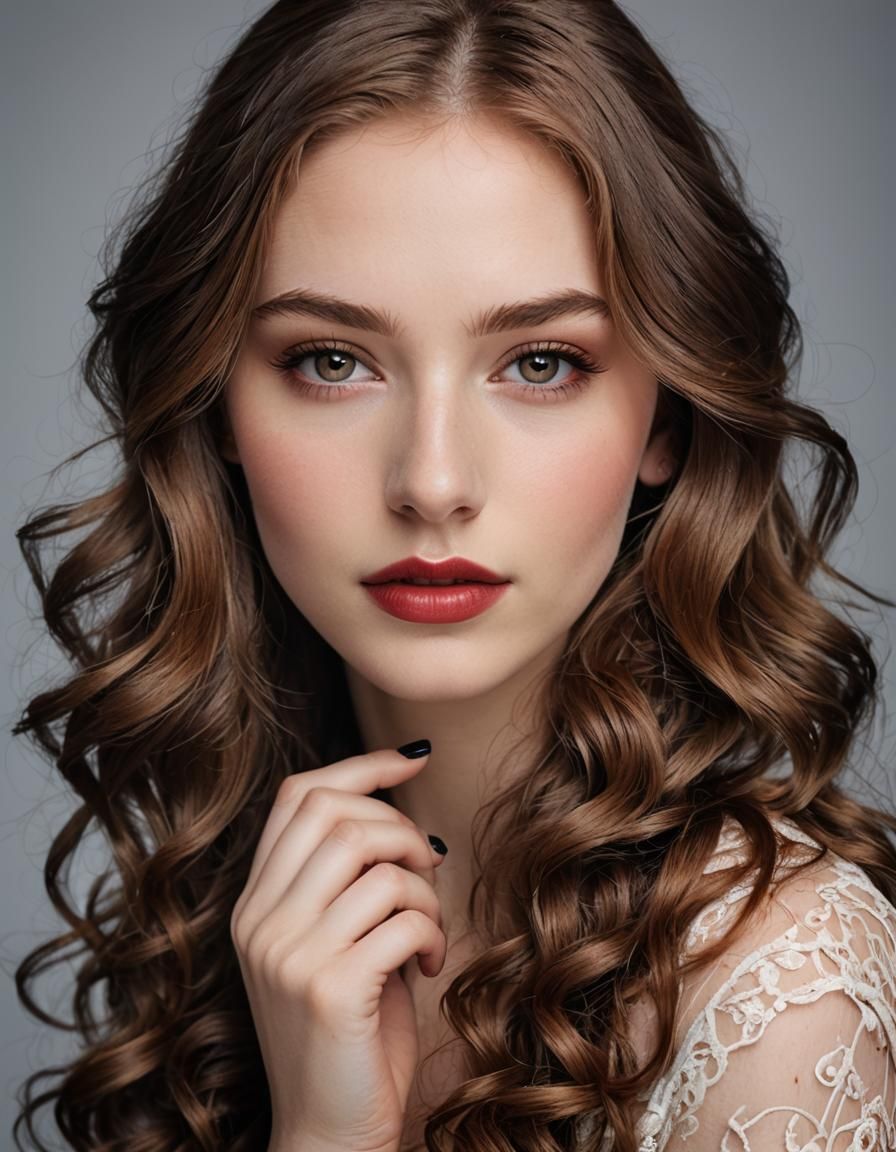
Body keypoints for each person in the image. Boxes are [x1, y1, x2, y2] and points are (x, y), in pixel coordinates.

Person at [12, 2, 896, 1151]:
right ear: (217, 402)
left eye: (539, 363)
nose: (431, 482)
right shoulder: (230, 891)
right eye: (331, 361)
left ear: (664, 417)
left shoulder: (781, 997)